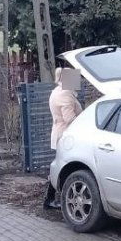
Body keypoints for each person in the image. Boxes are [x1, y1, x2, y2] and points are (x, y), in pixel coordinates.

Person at [45, 67, 82, 209]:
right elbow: (69, 118)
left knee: (59, 165)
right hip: (67, 137)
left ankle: (49, 199)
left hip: (60, 134)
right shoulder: (65, 93)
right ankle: (52, 199)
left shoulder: (56, 91)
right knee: (64, 167)